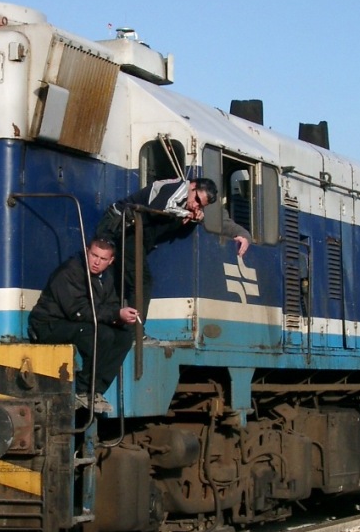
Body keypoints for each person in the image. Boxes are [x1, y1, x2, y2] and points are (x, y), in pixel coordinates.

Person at [94, 176, 250, 318]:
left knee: (120, 280)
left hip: (130, 232)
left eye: (200, 205)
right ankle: (135, 330)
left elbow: (219, 222)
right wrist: (185, 214)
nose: (195, 205)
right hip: (118, 226)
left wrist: (242, 235)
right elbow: (161, 208)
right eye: (196, 199)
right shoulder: (178, 188)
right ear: (192, 186)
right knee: (139, 281)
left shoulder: (189, 202)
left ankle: (124, 326)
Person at [28, 238, 139, 413]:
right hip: (49, 324)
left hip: (76, 322)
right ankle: (81, 390)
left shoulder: (106, 277)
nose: (96, 262)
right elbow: (77, 311)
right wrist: (115, 314)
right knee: (101, 335)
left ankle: (95, 390)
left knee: (124, 337)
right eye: (94, 255)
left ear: (110, 261)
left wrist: (120, 318)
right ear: (87, 251)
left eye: (103, 259)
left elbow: (110, 305)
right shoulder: (69, 272)